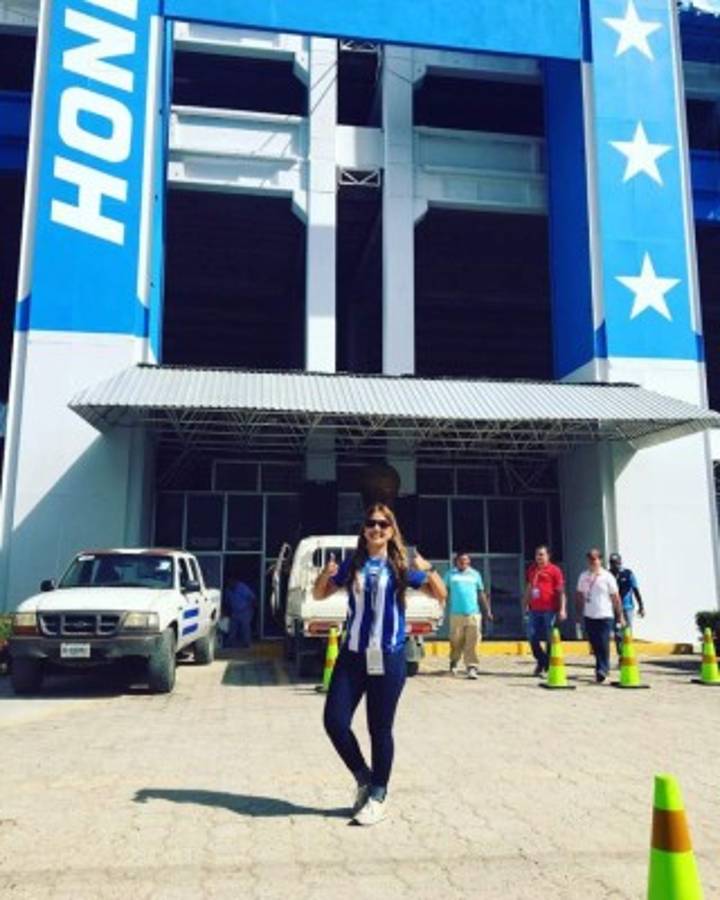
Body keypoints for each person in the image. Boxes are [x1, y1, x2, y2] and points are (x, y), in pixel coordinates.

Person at [313, 503, 447, 826]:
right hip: (353, 656)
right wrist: (325, 574)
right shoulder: (353, 565)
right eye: (371, 524)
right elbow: (319, 595)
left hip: (388, 656)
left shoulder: (399, 567)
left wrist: (429, 570)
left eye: (383, 525)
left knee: (379, 729)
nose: (376, 529)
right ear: (364, 529)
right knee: (334, 720)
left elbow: (440, 594)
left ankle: (378, 794)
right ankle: (364, 777)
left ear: (391, 530)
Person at [575, 549, 625, 683]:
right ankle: (602, 666)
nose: (593, 561)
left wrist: (620, 616)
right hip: (589, 615)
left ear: (600, 560)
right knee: (594, 644)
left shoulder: (607, 576)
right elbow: (579, 595)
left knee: (603, 642)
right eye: (590, 559)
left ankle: (601, 669)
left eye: (595, 558)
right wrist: (578, 614)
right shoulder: (583, 576)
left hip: (605, 615)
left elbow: (616, 597)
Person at [444, 552, 493, 679]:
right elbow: (445, 592)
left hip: (473, 614)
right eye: (461, 560)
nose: (464, 563)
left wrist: (487, 611)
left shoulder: (475, 575)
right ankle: (453, 663)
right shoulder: (450, 575)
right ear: (456, 561)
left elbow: (481, 594)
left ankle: (472, 667)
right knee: (456, 641)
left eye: (466, 561)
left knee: (473, 641)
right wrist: (441, 607)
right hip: (456, 614)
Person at [524, 545, 566, 677]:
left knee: (549, 638)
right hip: (534, 609)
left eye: (542, 555)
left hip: (550, 609)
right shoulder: (532, 569)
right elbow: (529, 588)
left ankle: (545, 665)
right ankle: (542, 660)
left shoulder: (555, 570)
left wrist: (562, 609)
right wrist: (525, 603)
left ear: (548, 556)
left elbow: (561, 591)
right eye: (537, 555)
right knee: (531, 635)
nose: (539, 557)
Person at [609, 552, 645, 657]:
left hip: (627, 607)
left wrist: (641, 606)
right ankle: (621, 655)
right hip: (614, 608)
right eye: (612, 563)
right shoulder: (608, 575)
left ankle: (628, 654)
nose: (614, 565)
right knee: (617, 632)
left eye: (616, 562)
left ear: (620, 562)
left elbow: (635, 589)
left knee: (627, 631)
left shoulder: (628, 574)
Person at [225, 578, 256, 648]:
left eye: (231, 582)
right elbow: (227, 602)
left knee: (245, 628)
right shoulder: (228, 590)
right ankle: (230, 644)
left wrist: (253, 610)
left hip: (244, 611)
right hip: (234, 612)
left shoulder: (242, 587)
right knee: (232, 628)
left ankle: (247, 643)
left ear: (234, 581)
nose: (230, 584)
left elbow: (252, 597)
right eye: (228, 583)